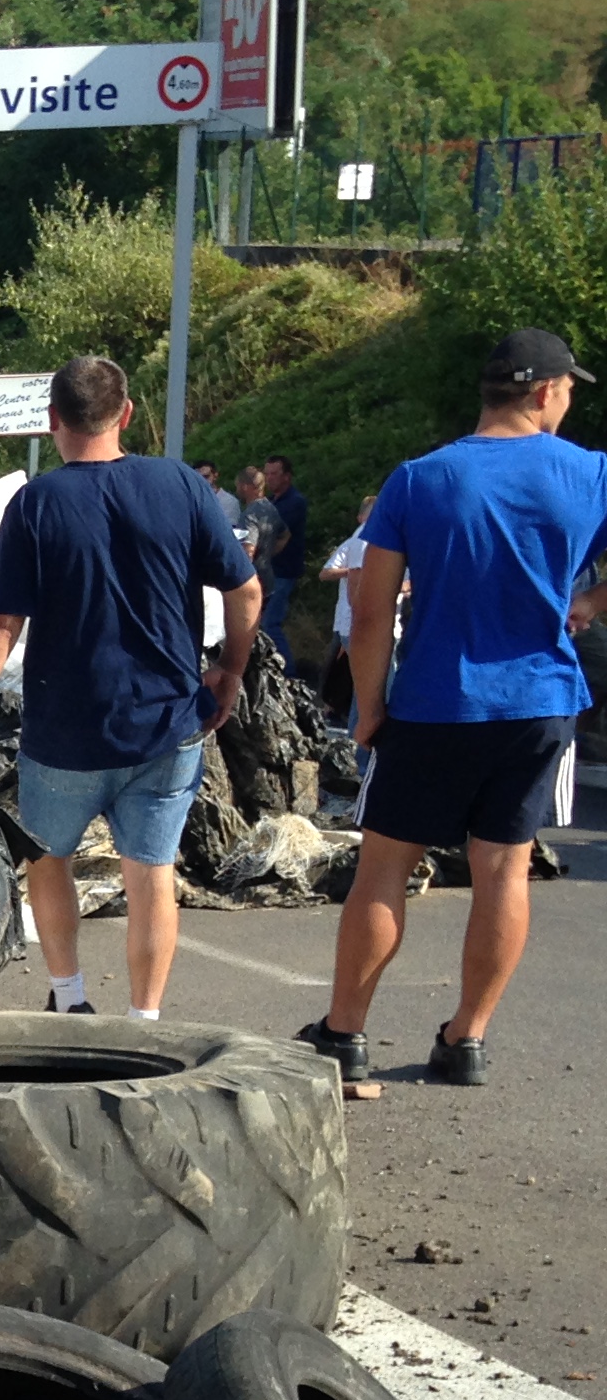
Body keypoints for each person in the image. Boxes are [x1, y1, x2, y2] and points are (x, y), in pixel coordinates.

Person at [299, 329, 607, 1088]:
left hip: (437, 700)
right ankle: (465, 1040)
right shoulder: (590, 474)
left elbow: (370, 613)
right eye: (568, 390)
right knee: (502, 870)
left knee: (384, 871)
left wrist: (369, 708)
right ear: (544, 392)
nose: (567, 403)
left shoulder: (419, 478)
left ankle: (344, 1034)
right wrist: (588, 602)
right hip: (539, 702)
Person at [0, 354, 261, 1019]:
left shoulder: (37, 502)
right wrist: (230, 668)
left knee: (48, 859)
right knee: (151, 874)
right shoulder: (179, 485)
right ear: (127, 414)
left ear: (53, 419)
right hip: (167, 725)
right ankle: (145, 1018)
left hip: (65, 732)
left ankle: (70, 997)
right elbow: (246, 587)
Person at [316, 491, 378, 723]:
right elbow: (326, 572)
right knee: (358, 680)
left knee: (356, 679)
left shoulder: (383, 540)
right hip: (350, 619)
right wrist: (353, 571)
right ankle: (336, 713)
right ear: (361, 518)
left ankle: (338, 712)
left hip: (356, 621)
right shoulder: (360, 540)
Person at [260, 456, 309, 668]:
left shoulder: (295, 502)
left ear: (287, 477)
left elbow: (274, 533)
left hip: (283, 571)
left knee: (270, 623)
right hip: (268, 571)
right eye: (267, 474)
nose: (269, 478)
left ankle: (288, 673)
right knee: (260, 624)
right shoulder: (271, 501)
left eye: (274, 474)